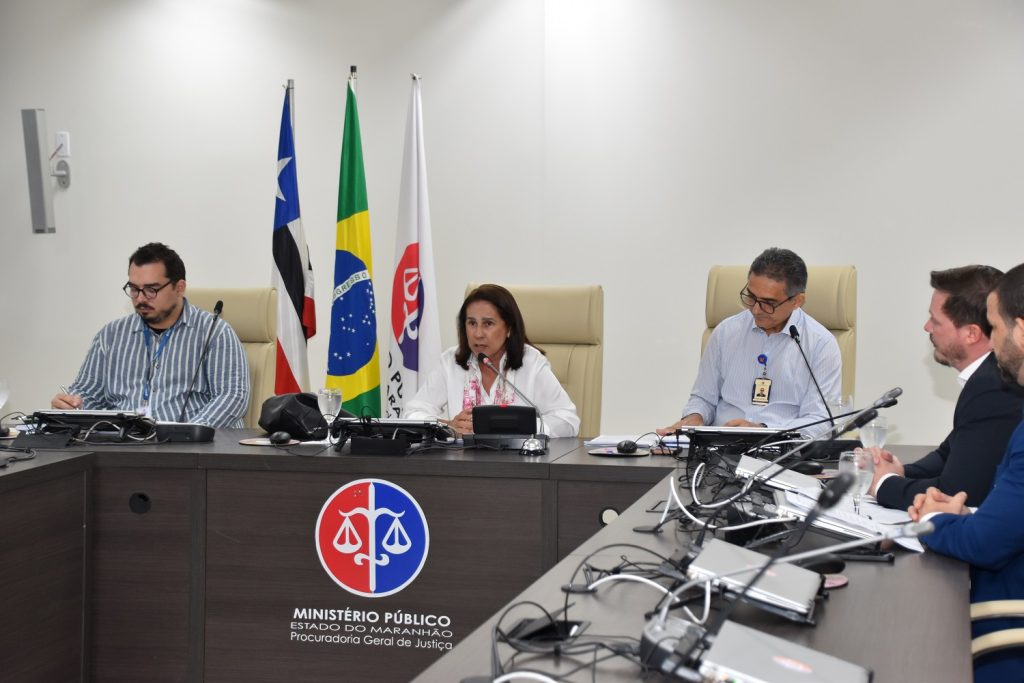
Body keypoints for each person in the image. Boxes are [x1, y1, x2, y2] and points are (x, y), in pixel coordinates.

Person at [908, 263, 1024, 683]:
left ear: (1021, 331)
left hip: (1002, 632)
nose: (992, 340)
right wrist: (967, 516)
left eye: (995, 327)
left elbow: (985, 545)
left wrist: (932, 520)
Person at [869, 266, 1024, 509]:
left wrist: (882, 484)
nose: (927, 327)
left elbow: (957, 492)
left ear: (971, 333)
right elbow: (948, 453)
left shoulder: (993, 386)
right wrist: (900, 471)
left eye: (935, 320)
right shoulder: (987, 376)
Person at [51, 242, 250, 428]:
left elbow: (233, 397)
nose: (140, 299)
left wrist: (188, 432)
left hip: (193, 448)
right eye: (134, 289)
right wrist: (72, 406)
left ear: (179, 288)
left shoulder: (214, 332)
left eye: (151, 290)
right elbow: (87, 393)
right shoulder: (111, 335)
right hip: (123, 444)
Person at [659, 248, 841, 434]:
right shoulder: (726, 332)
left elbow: (820, 420)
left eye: (768, 303)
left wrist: (761, 430)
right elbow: (703, 398)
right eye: (751, 297)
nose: (755, 310)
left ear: (797, 301)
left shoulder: (820, 344)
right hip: (721, 444)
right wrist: (694, 418)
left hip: (783, 446)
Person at [405, 284, 580, 437]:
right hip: (462, 461)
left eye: (488, 324)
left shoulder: (531, 363)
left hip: (518, 462)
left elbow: (568, 420)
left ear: (509, 328)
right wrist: (447, 426)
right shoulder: (450, 362)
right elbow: (412, 413)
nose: (478, 333)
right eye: (472, 323)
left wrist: (521, 426)